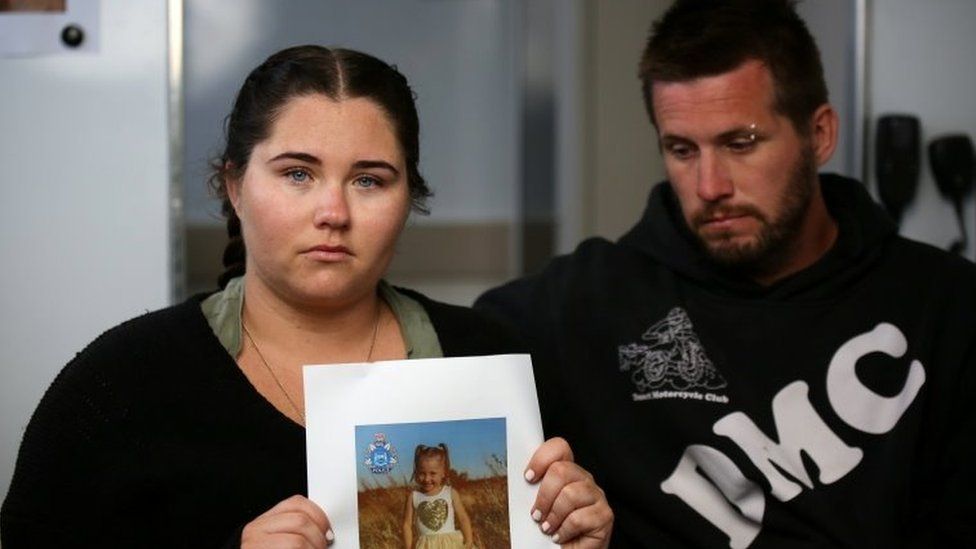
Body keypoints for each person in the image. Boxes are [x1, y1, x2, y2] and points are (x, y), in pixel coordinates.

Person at [1, 45, 613, 548]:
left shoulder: (490, 365)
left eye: (369, 180)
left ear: (409, 201)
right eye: (297, 173)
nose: (333, 212)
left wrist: (584, 536)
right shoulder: (119, 385)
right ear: (235, 186)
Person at [475, 0, 976, 547]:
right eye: (682, 149)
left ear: (821, 133)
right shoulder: (588, 301)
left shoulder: (944, 305)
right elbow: (424, 355)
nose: (710, 185)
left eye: (741, 143)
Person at [402, 444, 473, 549]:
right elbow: (407, 525)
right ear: (416, 472)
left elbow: (463, 518)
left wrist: (469, 540)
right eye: (422, 473)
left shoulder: (450, 493)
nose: (427, 479)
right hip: (426, 546)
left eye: (433, 473)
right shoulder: (414, 497)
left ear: (443, 473)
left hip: (451, 544)